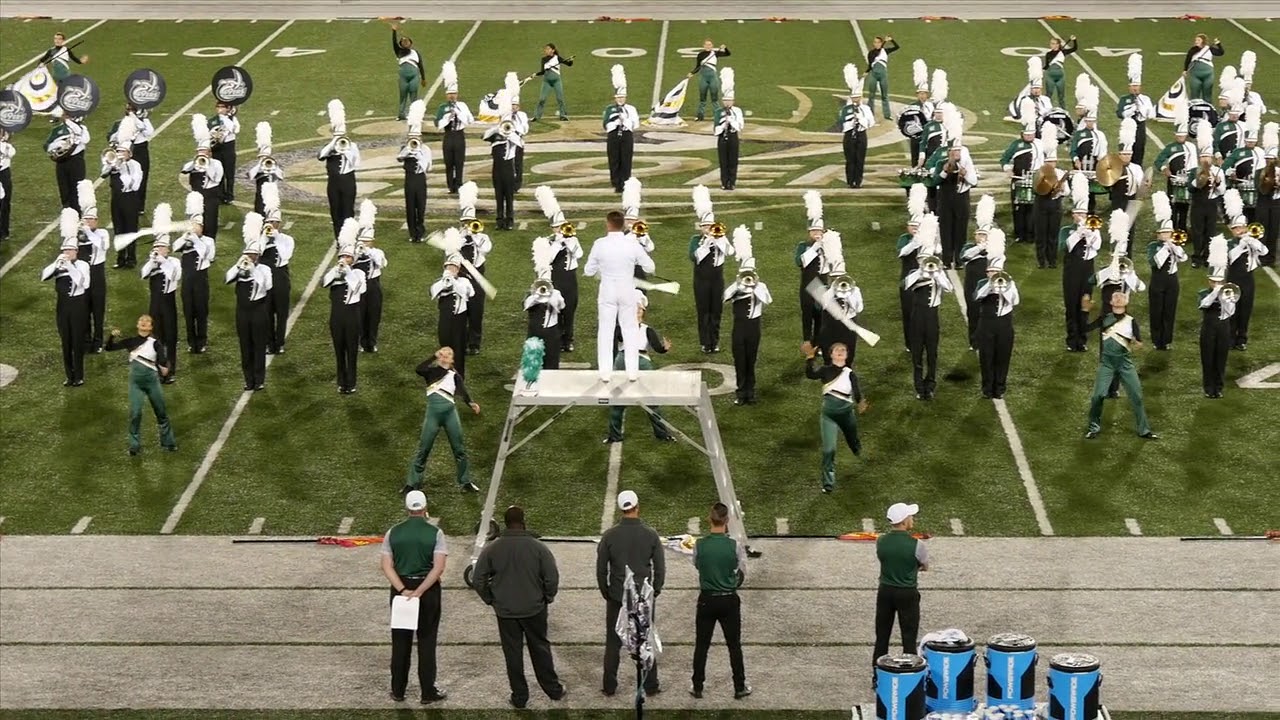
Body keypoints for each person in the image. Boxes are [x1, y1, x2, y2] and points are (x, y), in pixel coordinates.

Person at [473, 505, 567, 709]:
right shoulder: (538, 547)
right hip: (534, 608)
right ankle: (553, 689)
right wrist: (547, 597)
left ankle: (520, 696)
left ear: (505, 523)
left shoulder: (493, 548)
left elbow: (478, 579)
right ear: (523, 522)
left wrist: (491, 599)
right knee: (540, 649)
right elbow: (551, 577)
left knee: (512, 654)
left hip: (505, 611)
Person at [380, 490, 448, 704]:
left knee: (401, 642)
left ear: (407, 508)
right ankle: (427, 692)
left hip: (401, 589)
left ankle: (398, 690)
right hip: (428, 591)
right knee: (427, 641)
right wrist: (420, 591)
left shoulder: (393, 532)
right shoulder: (435, 533)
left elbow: (386, 566)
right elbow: (438, 568)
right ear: (425, 507)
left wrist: (403, 590)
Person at [598, 490, 666, 697]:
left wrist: (607, 592)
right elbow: (660, 568)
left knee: (613, 642)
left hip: (618, 596)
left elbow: (601, 570)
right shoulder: (650, 534)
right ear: (637, 506)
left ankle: (609, 686)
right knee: (644, 640)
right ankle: (650, 685)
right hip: (642, 597)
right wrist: (655, 590)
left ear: (621, 509)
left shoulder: (610, 535)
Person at [585, 210, 655, 382]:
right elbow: (650, 267)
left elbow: (588, 271)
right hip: (627, 291)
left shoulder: (600, 244)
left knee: (606, 330)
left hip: (608, 291)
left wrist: (602, 267)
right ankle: (632, 372)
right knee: (630, 329)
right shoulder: (632, 244)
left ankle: (605, 373)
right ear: (623, 224)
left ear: (607, 224)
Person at [690, 501, 750, 700]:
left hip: (707, 600)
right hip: (728, 600)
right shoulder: (734, 545)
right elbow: (741, 570)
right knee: (734, 646)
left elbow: (697, 565)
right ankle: (739, 687)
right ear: (727, 520)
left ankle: (697, 686)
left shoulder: (700, 545)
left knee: (702, 646)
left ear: (710, 519)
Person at [1083, 291, 1157, 440]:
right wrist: (1085, 311)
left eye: (1121, 296)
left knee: (1137, 396)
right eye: (1115, 296)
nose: (1118, 298)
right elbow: (1085, 329)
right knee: (1098, 396)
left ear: (1126, 302)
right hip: (1107, 363)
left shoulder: (1131, 321)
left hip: (1125, 364)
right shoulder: (1104, 318)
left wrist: (1137, 344)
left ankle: (1144, 430)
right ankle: (1093, 428)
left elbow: (1139, 343)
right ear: (1111, 302)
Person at [405, 346, 480, 494]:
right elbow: (419, 369)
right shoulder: (431, 372)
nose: (445, 355)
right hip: (433, 414)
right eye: (442, 353)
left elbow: (463, 391)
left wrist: (471, 403)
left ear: (452, 359)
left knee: (459, 449)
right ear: (439, 356)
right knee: (424, 448)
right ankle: (412, 483)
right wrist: (433, 357)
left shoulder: (454, 375)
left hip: (450, 414)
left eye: (449, 354)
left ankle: (466, 482)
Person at [604, 301, 675, 444]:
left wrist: (665, 348)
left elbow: (657, 347)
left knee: (651, 400)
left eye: (639, 309)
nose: (636, 311)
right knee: (617, 399)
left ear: (643, 312)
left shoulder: (648, 330)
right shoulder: (622, 327)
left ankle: (662, 434)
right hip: (623, 359)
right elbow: (618, 338)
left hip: (641, 360)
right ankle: (614, 435)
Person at [106, 315, 177, 455]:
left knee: (161, 413)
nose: (143, 322)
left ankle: (168, 442)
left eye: (147, 321)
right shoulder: (130, 342)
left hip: (152, 383)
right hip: (136, 384)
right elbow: (109, 348)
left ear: (151, 327)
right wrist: (111, 336)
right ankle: (134, 446)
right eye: (141, 320)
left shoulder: (155, 343)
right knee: (135, 414)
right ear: (137, 325)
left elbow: (162, 360)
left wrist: (164, 368)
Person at [803, 340, 866, 493]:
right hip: (828, 416)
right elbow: (811, 375)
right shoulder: (825, 370)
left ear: (846, 355)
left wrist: (860, 402)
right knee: (828, 450)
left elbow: (856, 391)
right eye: (837, 350)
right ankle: (828, 484)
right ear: (831, 355)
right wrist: (810, 358)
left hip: (847, 414)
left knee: (853, 440)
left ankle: (857, 450)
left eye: (843, 350)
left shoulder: (850, 373)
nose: (840, 351)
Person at [873, 503, 927, 672]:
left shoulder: (881, 541)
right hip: (907, 593)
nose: (913, 519)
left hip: (885, 592)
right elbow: (924, 565)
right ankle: (909, 674)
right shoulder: (917, 544)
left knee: (882, 636)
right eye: (910, 517)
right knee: (909, 637)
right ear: (904, 521)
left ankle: (877, 673)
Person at [41, 210, 91, 387]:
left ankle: (79, 375)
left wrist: (69, 266)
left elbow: (83, 284)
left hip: (78, 306)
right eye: (65, 250)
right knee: (66, 341)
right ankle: (69, 376)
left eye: (70, 250)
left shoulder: (83, 265)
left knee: (77, 341)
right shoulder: (59, 264)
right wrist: (56, 263)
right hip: (62, 307)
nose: (67, 253)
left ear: (76, 251)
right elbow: (44, 276)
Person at [904, 217, 952, 400]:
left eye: (928, 260)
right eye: (923, 260)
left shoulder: (938, 273)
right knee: (917, 354)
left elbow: (949, 288)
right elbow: (907, 284)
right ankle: (919, 387)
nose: (926, 263)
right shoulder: (914, 273)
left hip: (932, 316)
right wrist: (921, 271)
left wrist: (937, 274)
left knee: (932, 353)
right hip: (917, 315)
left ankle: (930, 385)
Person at [225, 215, 273, 392]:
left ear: (258, 256)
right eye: (248, 255)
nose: (251, 258)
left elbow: (267, 286)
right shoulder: (240, 267)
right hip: (242, 312)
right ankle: (248, 379)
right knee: (245, 346)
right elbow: (227, 278)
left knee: (259, 346)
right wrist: (238, 266)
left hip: (259, 311)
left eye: (253, 255)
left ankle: (259, 379)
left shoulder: (264, 269)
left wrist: (253, 270)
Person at [724, 228, 771, 406]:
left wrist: (755, 286)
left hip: (753, 327)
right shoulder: (735, 286)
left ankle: (750, 392)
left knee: (751, 359)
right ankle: (740, 392)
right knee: (739, 360)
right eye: (745, 274)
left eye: (750, 274)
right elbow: (724, 297)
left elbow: (767, 300)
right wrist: (738, 286)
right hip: (739, 326)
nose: (748, 277)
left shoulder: (761, 286)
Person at [973, 229, 1019, 399]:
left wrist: (1003, 289)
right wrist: (991, 286)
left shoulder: (1010, 283)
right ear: (987, 272)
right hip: (987, 324)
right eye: (991, 272)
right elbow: (976, 296)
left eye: (997, 272)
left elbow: (1015, 301)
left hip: (1004, 325)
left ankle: (999, 388)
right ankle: (987, 389)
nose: (994, 274)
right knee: (986, 357)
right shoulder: (982, 283)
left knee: (1003, 357)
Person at [322, 223, 366, 395]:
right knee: (339, 350)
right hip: (336, 316)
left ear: (353, 260)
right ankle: (342, 382)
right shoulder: (334, 272)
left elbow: (360, 289)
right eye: (342, 256)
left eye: (348, 257)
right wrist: (337, 271)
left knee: (352, 351)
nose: (344, 259)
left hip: (352, 316)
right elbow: (324, 283)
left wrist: (347, 272)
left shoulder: (358, 273)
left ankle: (351, 382)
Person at [689, 186, 733, 353]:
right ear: (701, 227)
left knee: (716, 311)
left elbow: (730, 252)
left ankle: (714, 342)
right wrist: (706, 244)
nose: (708, 229)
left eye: (710, 226)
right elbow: (694, 257)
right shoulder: (696, 240)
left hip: (717, 280)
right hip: (701, 280)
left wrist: (720, 240)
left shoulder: (720, 238)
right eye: (705, 226)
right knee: (703, 311)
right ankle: (705, 342)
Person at [1061, 175, 1100, 352]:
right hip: (1071, 271)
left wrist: (1089, 234)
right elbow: (1065, 246)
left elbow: (1096, 247)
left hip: (1087, 270)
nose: (1081, 217)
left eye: (1084, 214)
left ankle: (1082, 339)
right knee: (1071, 305)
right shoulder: (1066, 230)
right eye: (1078, 214)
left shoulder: (1093, 229)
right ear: (1073, 215)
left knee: (1085, 304)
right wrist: (1078, 233)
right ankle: (1071, 340)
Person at [139, 229, 182, 385]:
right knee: (155, 339)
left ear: (168, 249)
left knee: (170, 338)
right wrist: (152, 261)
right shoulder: (152, 262)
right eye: (156, 247)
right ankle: (158, 368)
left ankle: (170, 370)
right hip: (155, 304)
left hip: (168, 303)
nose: (158, 250)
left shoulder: (174, 262)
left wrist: (163, 261)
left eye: (162, 247)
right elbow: (143, 274)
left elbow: (175, 276)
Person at [933, 123, 978, 270]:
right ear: (949, 153)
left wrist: (965, 175)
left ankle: (959, 260)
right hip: (945, 200)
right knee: (945, 230)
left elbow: (974, 182)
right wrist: (944, 172)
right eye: (953, 151)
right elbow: (934, 182)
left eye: (958, 151)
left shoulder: (966, 165)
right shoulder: (941, 163)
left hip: (961, 200)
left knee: (961, 230)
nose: (956, 154)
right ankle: (946, 260)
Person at [175, 193, 214, 355]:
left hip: (201, 281)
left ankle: (202, 341)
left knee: (201, 312)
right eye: (192, 225)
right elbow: (175, 247)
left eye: (196, 226)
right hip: (187, 281)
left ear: (202, 227)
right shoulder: (186, 239)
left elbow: (208, 255)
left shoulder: (208, 241)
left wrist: (195, 240)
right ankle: (191, 342)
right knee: (189, 312)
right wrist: (185, 237)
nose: (194, 228)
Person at [1146, 192, 1186, 351]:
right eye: (1163, 233)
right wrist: (1165, 249)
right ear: (1158, 234)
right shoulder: (1153, 246)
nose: (1166, 235)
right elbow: (1155, 263)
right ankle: (1157, 340)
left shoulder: (1174, 245)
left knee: (1170, 310)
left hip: (1172, 281)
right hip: (1157, 281)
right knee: (1156, 311)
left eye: (1168, 233)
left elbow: (1183, 258)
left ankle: (1167, 339)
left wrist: (1174, 247)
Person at [1225, 205, 1267, 351]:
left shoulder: (1250, 242)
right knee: (1232, 309)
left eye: (1242, 227)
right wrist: (1241, 245)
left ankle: (1242, 338)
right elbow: (1231, 257)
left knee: (1246, 309)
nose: (1240, 230)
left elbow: (1264, 251)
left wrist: (1253, 241)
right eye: (1236, 228)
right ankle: (1230, 338)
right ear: (1232, 230)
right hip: (1233, 279)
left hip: (1248, 280)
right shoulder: (1229, 243)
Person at [260, 184, 295, 355]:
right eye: (269, 222)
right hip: (265, 278)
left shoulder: (287, 239)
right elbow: (257, 253)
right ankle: (268, 342)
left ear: (279, 224)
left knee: (281, 312)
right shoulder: (260, 238)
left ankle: (279, 342)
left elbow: (285, 255)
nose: (272, 225)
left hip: (281, 276)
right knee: (266, 312)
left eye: (274, 223)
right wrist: (264, 238)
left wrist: (277, 238)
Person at [75, 181, 109, 353]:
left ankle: (98, 341)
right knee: (84, 309)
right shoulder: (78, 234)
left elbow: (102, 245)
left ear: (97, 220)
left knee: (98, 310)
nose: (88, 222)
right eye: (86, 219)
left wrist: (87, 231)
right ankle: (86, 340)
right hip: (83, 275)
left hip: (97, 275)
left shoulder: (102, 233)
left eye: (91, 220)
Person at [1199, 236, 1235, 399]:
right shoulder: (1203, 293)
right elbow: (1204, 305)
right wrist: (1215, 293)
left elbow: (1230, 312)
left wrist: (1226, 299)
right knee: (1207, 358)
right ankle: (1208, 387)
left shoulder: (1229, 293)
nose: (1216, 284)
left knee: (1221, 358)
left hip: (1223, 328)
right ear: (1209, 281)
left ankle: (1218, 388)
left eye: (1219, 282)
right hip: (1208, 328)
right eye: (1213, 282)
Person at [318, 99, 360, 238]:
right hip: (333, 183)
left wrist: (345, 150)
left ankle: (350, 239)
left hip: (348, 182)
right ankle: (338, 239)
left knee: (348, 212)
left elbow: (356, 163)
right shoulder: (329, 148)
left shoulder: (352, 146)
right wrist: (333, 143)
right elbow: (320, 156)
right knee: (335, 212)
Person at [457, 185, 491, 355]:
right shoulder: (456, 236)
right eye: (465, 222)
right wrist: (462, 238)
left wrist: (474, 237)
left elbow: (486, 249)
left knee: (476, 310)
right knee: (462, 310)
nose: (468, 225)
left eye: (470, 222)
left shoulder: (482, 237)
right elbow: (449, 252)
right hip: (461, 275)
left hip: (477, 275)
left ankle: (474, 343)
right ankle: (462, 341)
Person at [431, 253, 474, 378]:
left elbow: (468, 293)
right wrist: (444, 281)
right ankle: (444, 374)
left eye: (454, 267)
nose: (451, 270)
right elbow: (432, 292)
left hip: (459, 320)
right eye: (449, 267)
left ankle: (459, 377)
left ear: (458, 269)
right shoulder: (440, 281)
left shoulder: (464, 281)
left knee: (458, 348)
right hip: (445, 318)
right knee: (445, 346)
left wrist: (454, 281)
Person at [524, 237, 565, 370]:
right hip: (534, 332)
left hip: (551, 334)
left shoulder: (556, 293)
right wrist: (537, 296)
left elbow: (561, 306)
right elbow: (526, 305)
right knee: (532, 365)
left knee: (551, 365)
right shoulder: (531, 292)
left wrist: (550, 295)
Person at [1188, 124, 1226, 267]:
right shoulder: (1194, 171)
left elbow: (1222, 191)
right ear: (1199, 158)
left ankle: (1207, 256)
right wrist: (1199, 180)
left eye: (1208, 157)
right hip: (1197, 204)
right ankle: (1197, 257)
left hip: (1211, 204)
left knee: (1210, 231)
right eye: (1203, 156)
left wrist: (1217, 182)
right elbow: (1190, 188)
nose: (1205, 160)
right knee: (1197, 231)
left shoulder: (1218, 171)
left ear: (1211, 158)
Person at [104, 135, 143, 269]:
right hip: (116, 199)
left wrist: (123, 169)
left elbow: (134, 185)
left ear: (129, 153)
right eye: (118, 151)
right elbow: (103, 174)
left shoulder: (135, 165)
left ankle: (131, 259)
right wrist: (112, 166)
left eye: (123, 151)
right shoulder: (113, 164)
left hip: (130, 199)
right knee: (118, 229)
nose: (119, 153)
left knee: (130, 229)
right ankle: (120, 259)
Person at [353, 201, 387, 354]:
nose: (364, 244)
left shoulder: (377, 252)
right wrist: (358, 252)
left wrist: (368, 251)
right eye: (362, 242)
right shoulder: (354, 252)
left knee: (373, 315)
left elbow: (381, 263)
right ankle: (360, 341)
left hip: (373, 285)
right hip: (358, 285)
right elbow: (349, 263)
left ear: (372, 242)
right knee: (359, 314)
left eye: (367, 242)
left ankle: (371, 342)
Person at [181, 117, 223, 240]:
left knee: (210, 222)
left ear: (210, 153)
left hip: (210, 197)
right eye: (200, 152)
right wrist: (195, 162)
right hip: (197, 196)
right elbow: (184, 170)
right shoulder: (195, 163)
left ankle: (210, 245)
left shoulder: (216, 164)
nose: (202, 154)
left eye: (205, 152)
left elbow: (216, 179)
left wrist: (207, 165)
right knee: (195, 222)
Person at [1031, 126, 1067, 268]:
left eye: (1053, 162)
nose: (1051, 164)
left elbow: (1067, 192)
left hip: (1055, 205)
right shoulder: (1038, 172)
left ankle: (1052, 260)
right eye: (1048, 162)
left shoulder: (1060, 173)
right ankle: (1041, 260)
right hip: (1041, 204)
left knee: (1053, 234)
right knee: (1041, 234)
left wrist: (1061, 189)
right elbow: (1035, 189)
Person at [435, 62, 472, 195]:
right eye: (450, 94)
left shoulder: (462, 106)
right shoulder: (442, 107)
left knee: (459, 161)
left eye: (454, 94)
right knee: (449, 162)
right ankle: (451, 185)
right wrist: (447, 118)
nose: (452, 96)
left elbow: (469, 120)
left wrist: (458, 113)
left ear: (457, 94)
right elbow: (437, 124)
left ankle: (459, 183)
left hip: (459, 135)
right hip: (448, 135)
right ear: (446, 95)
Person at [1000, 115, 1037, 245]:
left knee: (1032, 207)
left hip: (1034, 179)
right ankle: (1019, 234)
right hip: (1018, 180)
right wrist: (1008, 170)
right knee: (1019, 207)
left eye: (1031, 134)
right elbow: (1005, 159)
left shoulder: (1039, 144)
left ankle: (1031, 234)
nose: (1029, 137)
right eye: (1027, 134)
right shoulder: (1016, 145)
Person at [398, 100, 431, 243]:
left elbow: (428, 167)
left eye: (417, 138)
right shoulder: (405, 149)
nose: (415, 140)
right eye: (412, 138)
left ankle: (420, 230)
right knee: (410, 206)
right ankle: (412, 233)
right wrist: (409, 150)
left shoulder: (425, 149)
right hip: (409, 180)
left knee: (421, 206)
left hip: (420, 179)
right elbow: (399, 158)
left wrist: (419, 154)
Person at [604, 66, 640, 193]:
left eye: (622, 97)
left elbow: (636, 124)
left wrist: (626, 121)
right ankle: (616, 183)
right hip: (613, 135)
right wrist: (615, 121)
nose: (620, 100)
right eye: (618, 98)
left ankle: (625, 182)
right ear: (615, 98)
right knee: (614, 159)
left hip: (626, 135)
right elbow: (605, 124)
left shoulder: (631, 109)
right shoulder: (609, 109)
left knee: (626, 159)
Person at [798, 191, 828, 343]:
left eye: (819, 231)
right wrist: (815, 247)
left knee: (820, 316)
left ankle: (819, 343)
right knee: (807, 316)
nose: (816, 233)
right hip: (807, 286)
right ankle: (807, 342)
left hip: (823, 285)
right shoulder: (803, 246)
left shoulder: (828, 245)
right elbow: (801, 261)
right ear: (809, 232)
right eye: (814, 231)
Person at [839, 66, 875, 189]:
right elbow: (842, 122)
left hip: (861, 134)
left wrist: (861, 119)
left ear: (861, 97)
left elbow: (871, 122)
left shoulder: (866, 109)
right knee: (850, 159)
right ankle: (850, 181)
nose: (856, 100)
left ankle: (858, 181)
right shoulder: (846, 109)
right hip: (849, 134)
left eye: (857, 97)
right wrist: (851, 119)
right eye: (854, 98)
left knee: (860, 159)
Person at [44, 113, 89, 212]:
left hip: (76, 162)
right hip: (61, 163)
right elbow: (46, 146)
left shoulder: (81, 128)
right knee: (64, 190)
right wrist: (59, 145)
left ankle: (78, 214)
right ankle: (67, 213)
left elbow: (86, 139)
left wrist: (69, 122)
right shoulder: (57, 130)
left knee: (77, 190)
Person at [1116, 53, 1154, 167]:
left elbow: (1151, 114)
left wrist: (1141, 108)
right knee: (1125, 149)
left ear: (1140, 87)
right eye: (1133, 86)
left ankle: (1137, 169)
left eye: (1136, 86)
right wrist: (1130, 110)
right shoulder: (1124, 99)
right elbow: (1119, 113)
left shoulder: (1145, 99)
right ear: (1129, 87)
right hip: (1127, 127)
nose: (1135, 88)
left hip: (1140, 126)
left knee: (1139, 147)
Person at [713, 69, 743, 191]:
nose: (727, 103)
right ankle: (724, 183)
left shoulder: (737, 111)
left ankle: (732, 182)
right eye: (725, 100)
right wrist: (722, 125)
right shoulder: (718, 112)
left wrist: (731, 121)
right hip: (722, 138)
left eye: (729, 100)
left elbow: (740, 126)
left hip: (733, 137)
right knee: (723, 161)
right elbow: (715, 131)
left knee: (733, 161)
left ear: (733, 101)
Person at [389, 23, 426, 121]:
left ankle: (414, 114)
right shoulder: (399, 51)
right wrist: (394, 31)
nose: (405, 42)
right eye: (403, 41)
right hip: (403, 78)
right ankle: (401, 114)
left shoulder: (415, 53)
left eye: (407, 41)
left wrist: (423, 78)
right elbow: (394, 42)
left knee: (413, 95)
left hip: (414, 77)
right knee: (403, 95)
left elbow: (420, 65)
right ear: (400, 44)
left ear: (411, 43)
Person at [247, 121, 283, 216]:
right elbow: (250, 175)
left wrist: (273, 168)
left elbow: (281, 176)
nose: (265, 159)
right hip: (261, 193)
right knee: (259, 209)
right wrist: (260, 164)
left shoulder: (274, 165)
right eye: (262, 157)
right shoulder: (258, 167)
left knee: (272, 211)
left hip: (272, 193)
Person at [692, 39, 731, 122]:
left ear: (712, 46)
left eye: (709, 44)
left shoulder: (715, 53)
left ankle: (718, 116)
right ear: (703, 46)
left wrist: (725, 48)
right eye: (706, 44)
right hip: (703, 77)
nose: (708, 46)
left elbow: (728, 54)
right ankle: (700, 115)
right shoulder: (700, 54)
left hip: (712, 77)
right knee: (702, 98)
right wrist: (692, 73)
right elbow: (698, 66)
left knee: (714, 98)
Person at [208, 102, 240, 204]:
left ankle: (229, 196)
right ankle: (220, 195)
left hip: (229, 148)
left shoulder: (232, 119)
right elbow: (209, 133)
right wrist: (214, 135)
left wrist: (224, 118)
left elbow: (235, 129)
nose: (219, 109)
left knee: (229, 174)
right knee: (219, 172)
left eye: (222, 107)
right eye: (218, 106)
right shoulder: (212, 121)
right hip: (216, 148)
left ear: (227, 108)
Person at [533, 44, 573, 122]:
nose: (546, 50)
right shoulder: (543, 59)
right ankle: (537, 116)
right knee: (542, 99)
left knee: (560, 98)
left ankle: (563, 115)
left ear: (553, 50)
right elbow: (542, 72)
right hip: (546, 81)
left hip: (556, 81)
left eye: (548, 49)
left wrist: (571, 60)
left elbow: (569, 64)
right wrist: (536, 74)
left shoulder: (557, 58)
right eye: (545, 49)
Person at [864, 35, 899, 120]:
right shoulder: (871, 53)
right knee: (871, 95)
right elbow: (870, 64)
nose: (876, 44)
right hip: (874, 74)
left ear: (881, 43)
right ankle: (870, 113)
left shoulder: (885, 51)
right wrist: (866, 72)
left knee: (884, 95)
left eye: (878, 42)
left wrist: (891, 40)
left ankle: (887, 115)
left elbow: (897, 47)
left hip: (883, 75)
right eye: (875, 42)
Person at [1184, 34, 1225, 103]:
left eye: (1198, 40)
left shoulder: (1209, 49)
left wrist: (1218, 44)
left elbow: (1221, 53)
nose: (1196, 41)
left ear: (1203, 41)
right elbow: (1188, 59)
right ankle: (1194, 107)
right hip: (1195, 74)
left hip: (1208, 73)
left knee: (1207, 93)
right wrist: (1185, 70)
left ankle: (1207, 107)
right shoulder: (1193, 49)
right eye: (1196, 40)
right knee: (1194, 92)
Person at [1042, 35, 1077, 109]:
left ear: (1057, 45)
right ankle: (1046, 110)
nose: (1051, 45)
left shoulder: (1063, 52)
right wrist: (1041, 70)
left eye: (1053, 43)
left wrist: (1074, 40)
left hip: (1060, 76)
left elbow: (1074, 48)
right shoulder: (1048, 54)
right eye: (1051, 43)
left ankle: (1064, 111)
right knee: (1048, 95)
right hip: (1050, 76)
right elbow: (1047, 66)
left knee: (1061, 96)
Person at [0, 129, 13, 241]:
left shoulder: (7, 147)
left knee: (5, 202)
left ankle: (4, 230)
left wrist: (4, 143)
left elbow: (11, 153)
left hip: (3, 173)